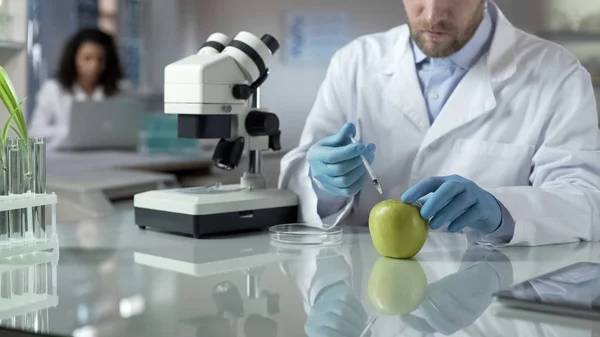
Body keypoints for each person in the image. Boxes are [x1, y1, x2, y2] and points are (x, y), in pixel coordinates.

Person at [279, 0, 600, 247]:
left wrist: (503, 210)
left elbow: (586, 201)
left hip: (486, 306)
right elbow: (299, 174)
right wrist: (323, 183)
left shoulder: (558, 73)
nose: (432, 15)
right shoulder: (355, 61)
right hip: (370, 302)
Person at [29, 28, 127, 150]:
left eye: (100, 60)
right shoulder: (53, 89)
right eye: (87, 58)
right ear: (74, 59)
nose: (94, 66)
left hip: (110, 158)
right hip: (65, 160)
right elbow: (34, 133)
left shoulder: (121, 91)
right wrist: (71, 132)